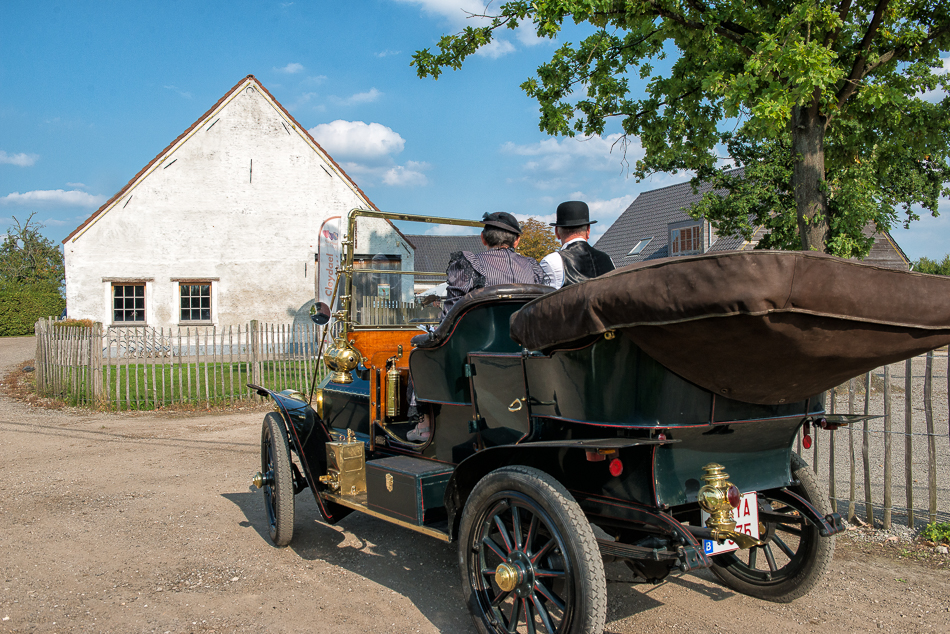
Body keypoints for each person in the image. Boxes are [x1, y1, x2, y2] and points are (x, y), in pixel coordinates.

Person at [407, 211, 545, 442]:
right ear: (517, 241)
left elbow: (451, 314)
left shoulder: (470, 263)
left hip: (477, 353)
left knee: (419, 351)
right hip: (525, 354)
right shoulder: (533, 268)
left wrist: (430, 337)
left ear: (483, 238)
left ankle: (425, 426)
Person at [540, 201, 615, 289]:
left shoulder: (552, 262)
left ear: (556, 232)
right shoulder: (608, 259)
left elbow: (544, 300)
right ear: (588, 230)